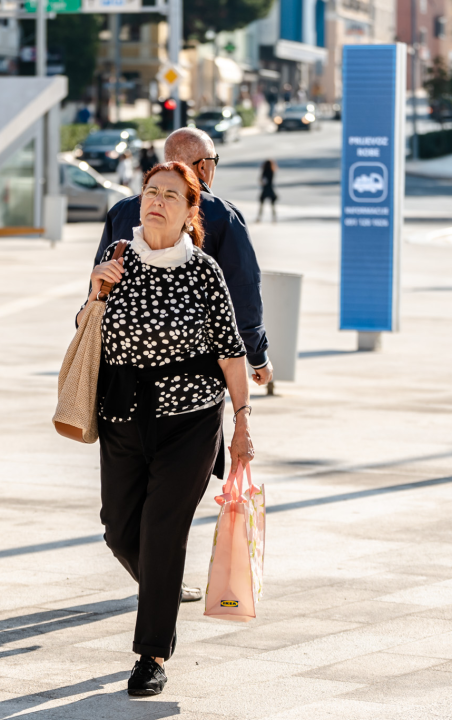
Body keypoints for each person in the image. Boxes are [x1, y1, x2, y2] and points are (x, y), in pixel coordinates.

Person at [81, 161, 254, 696]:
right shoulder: (116, 259)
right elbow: (86, 332)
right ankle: (162, 582)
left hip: (191, 421)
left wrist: (243, 421)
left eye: (170, 196)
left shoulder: (204, 270)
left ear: (189, 211)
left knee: (162, 531)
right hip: (122, 416)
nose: (156, 201)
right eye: (151, 192)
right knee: (118, 528)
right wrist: (95, 292)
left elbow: (230, 353)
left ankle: (151, 653)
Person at [94, 126, 271, 603]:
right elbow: (244, 291)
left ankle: (157, 602)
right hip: (148, 396)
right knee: (130, 522)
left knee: (169, 503)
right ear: (207, 167)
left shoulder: (122, 210)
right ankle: (161, 573)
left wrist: (243, 400)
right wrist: (258, 354)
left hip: (190, 396)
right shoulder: (223, 216)